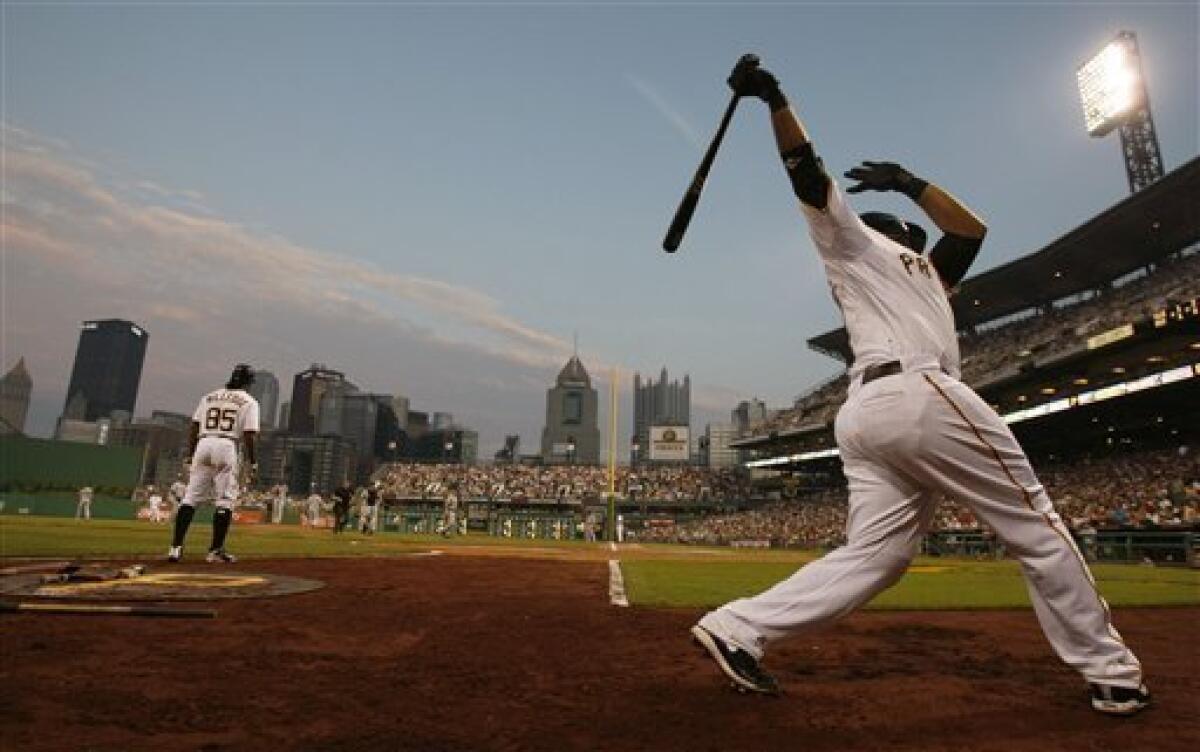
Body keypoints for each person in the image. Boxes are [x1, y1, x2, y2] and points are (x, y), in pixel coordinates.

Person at [690, 56, 1148, 716]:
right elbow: (808, 174)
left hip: (867, 417)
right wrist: (774, 98)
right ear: (892, 233)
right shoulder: (855, 245)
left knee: (879, 555)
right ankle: (1112, 673)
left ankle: (737, 627)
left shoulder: (927, 276)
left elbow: (970, 230)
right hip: (915, 395)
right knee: (1037, 528)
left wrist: (910, 181)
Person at [167, 364, 260, 564]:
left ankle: (175, 548)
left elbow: (194, 426)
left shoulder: (209, 396)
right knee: (225, 500)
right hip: (226, 445)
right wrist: (253, 462)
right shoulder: (249, 401)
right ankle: (215, 551)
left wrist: (191, 454)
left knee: (190, 498)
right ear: (248, 382)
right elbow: (249, 434)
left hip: (203, 442)